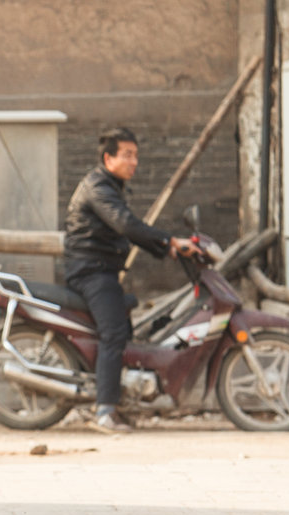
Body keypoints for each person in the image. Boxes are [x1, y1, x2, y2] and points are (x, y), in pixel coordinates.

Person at [63, 127, 200, 434]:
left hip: (102, 269)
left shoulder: (111, 185)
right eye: (127, 155)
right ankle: (104, 412)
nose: (134, 162)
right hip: (91, 272)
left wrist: (167, 248)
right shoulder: (98, 187)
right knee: (112, 335)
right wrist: (168, 242)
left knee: (125, 332)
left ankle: (120, 403)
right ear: (107, 158)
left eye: (136, 155)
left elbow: (132, 229)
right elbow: (125, 224)